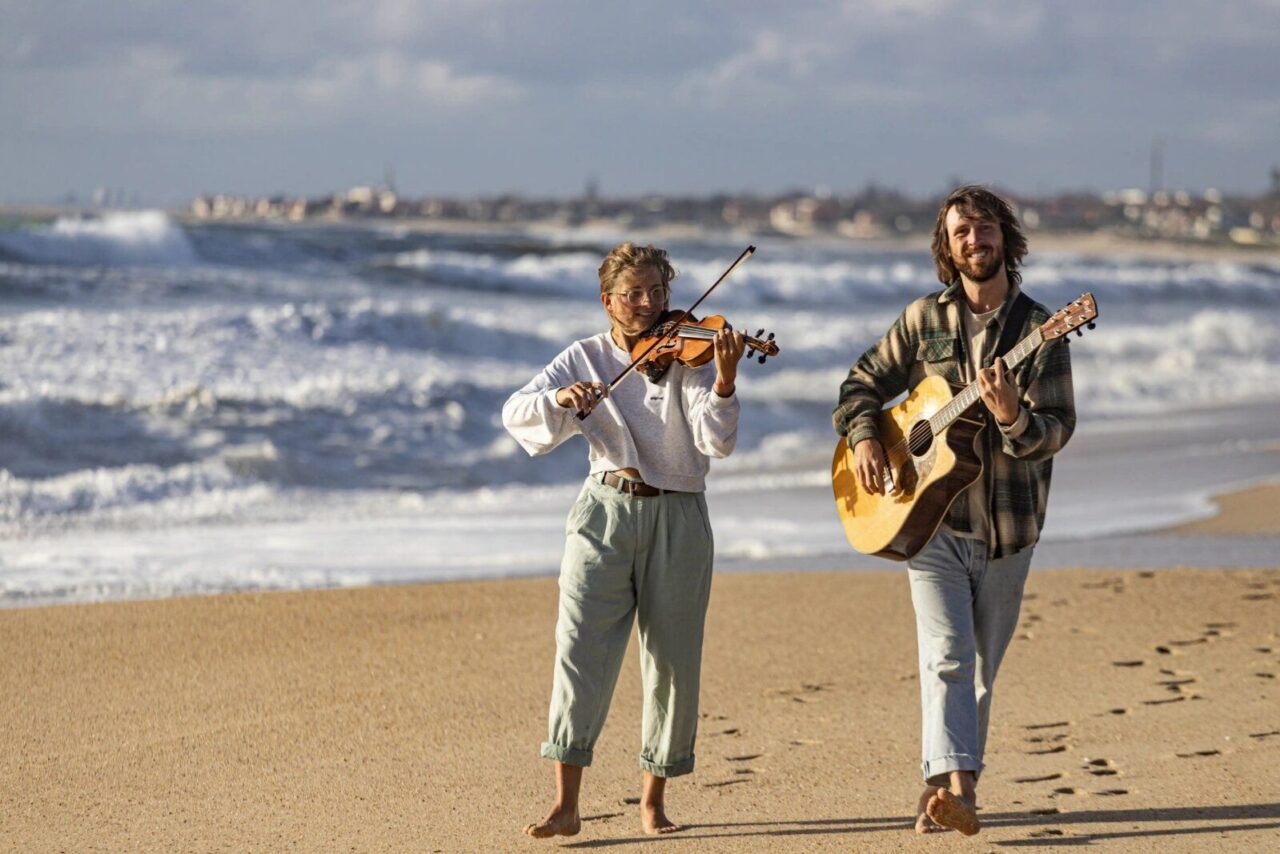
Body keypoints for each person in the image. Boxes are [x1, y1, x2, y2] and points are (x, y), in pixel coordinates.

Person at [832, 186, 1075, 836]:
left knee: (978, 675)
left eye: (985, 227)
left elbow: (1056, 429)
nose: (975, 239)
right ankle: (963, 794)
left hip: (1009, 531)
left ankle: (938, 789)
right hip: (931, 525)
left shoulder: (1041, 329)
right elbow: (860, 384)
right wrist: (863, 438)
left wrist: (1013, 417)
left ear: (1005, 237)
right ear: (948, 246)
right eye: (962, 231)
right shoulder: (922, 321)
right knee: (946, 655)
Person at [503, 242, 745, 838]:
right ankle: (566, 804)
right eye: (634, 294)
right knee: (579, 650)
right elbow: (517, 412)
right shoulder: (584, 356)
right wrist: (562, 399)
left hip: (679, 517)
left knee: (671, 661)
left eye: (658, 292)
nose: (649, 305)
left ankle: (653, 799)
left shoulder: (688, 357)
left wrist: (725, 380)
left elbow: (717, 443)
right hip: (603, 513)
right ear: (607, 300)